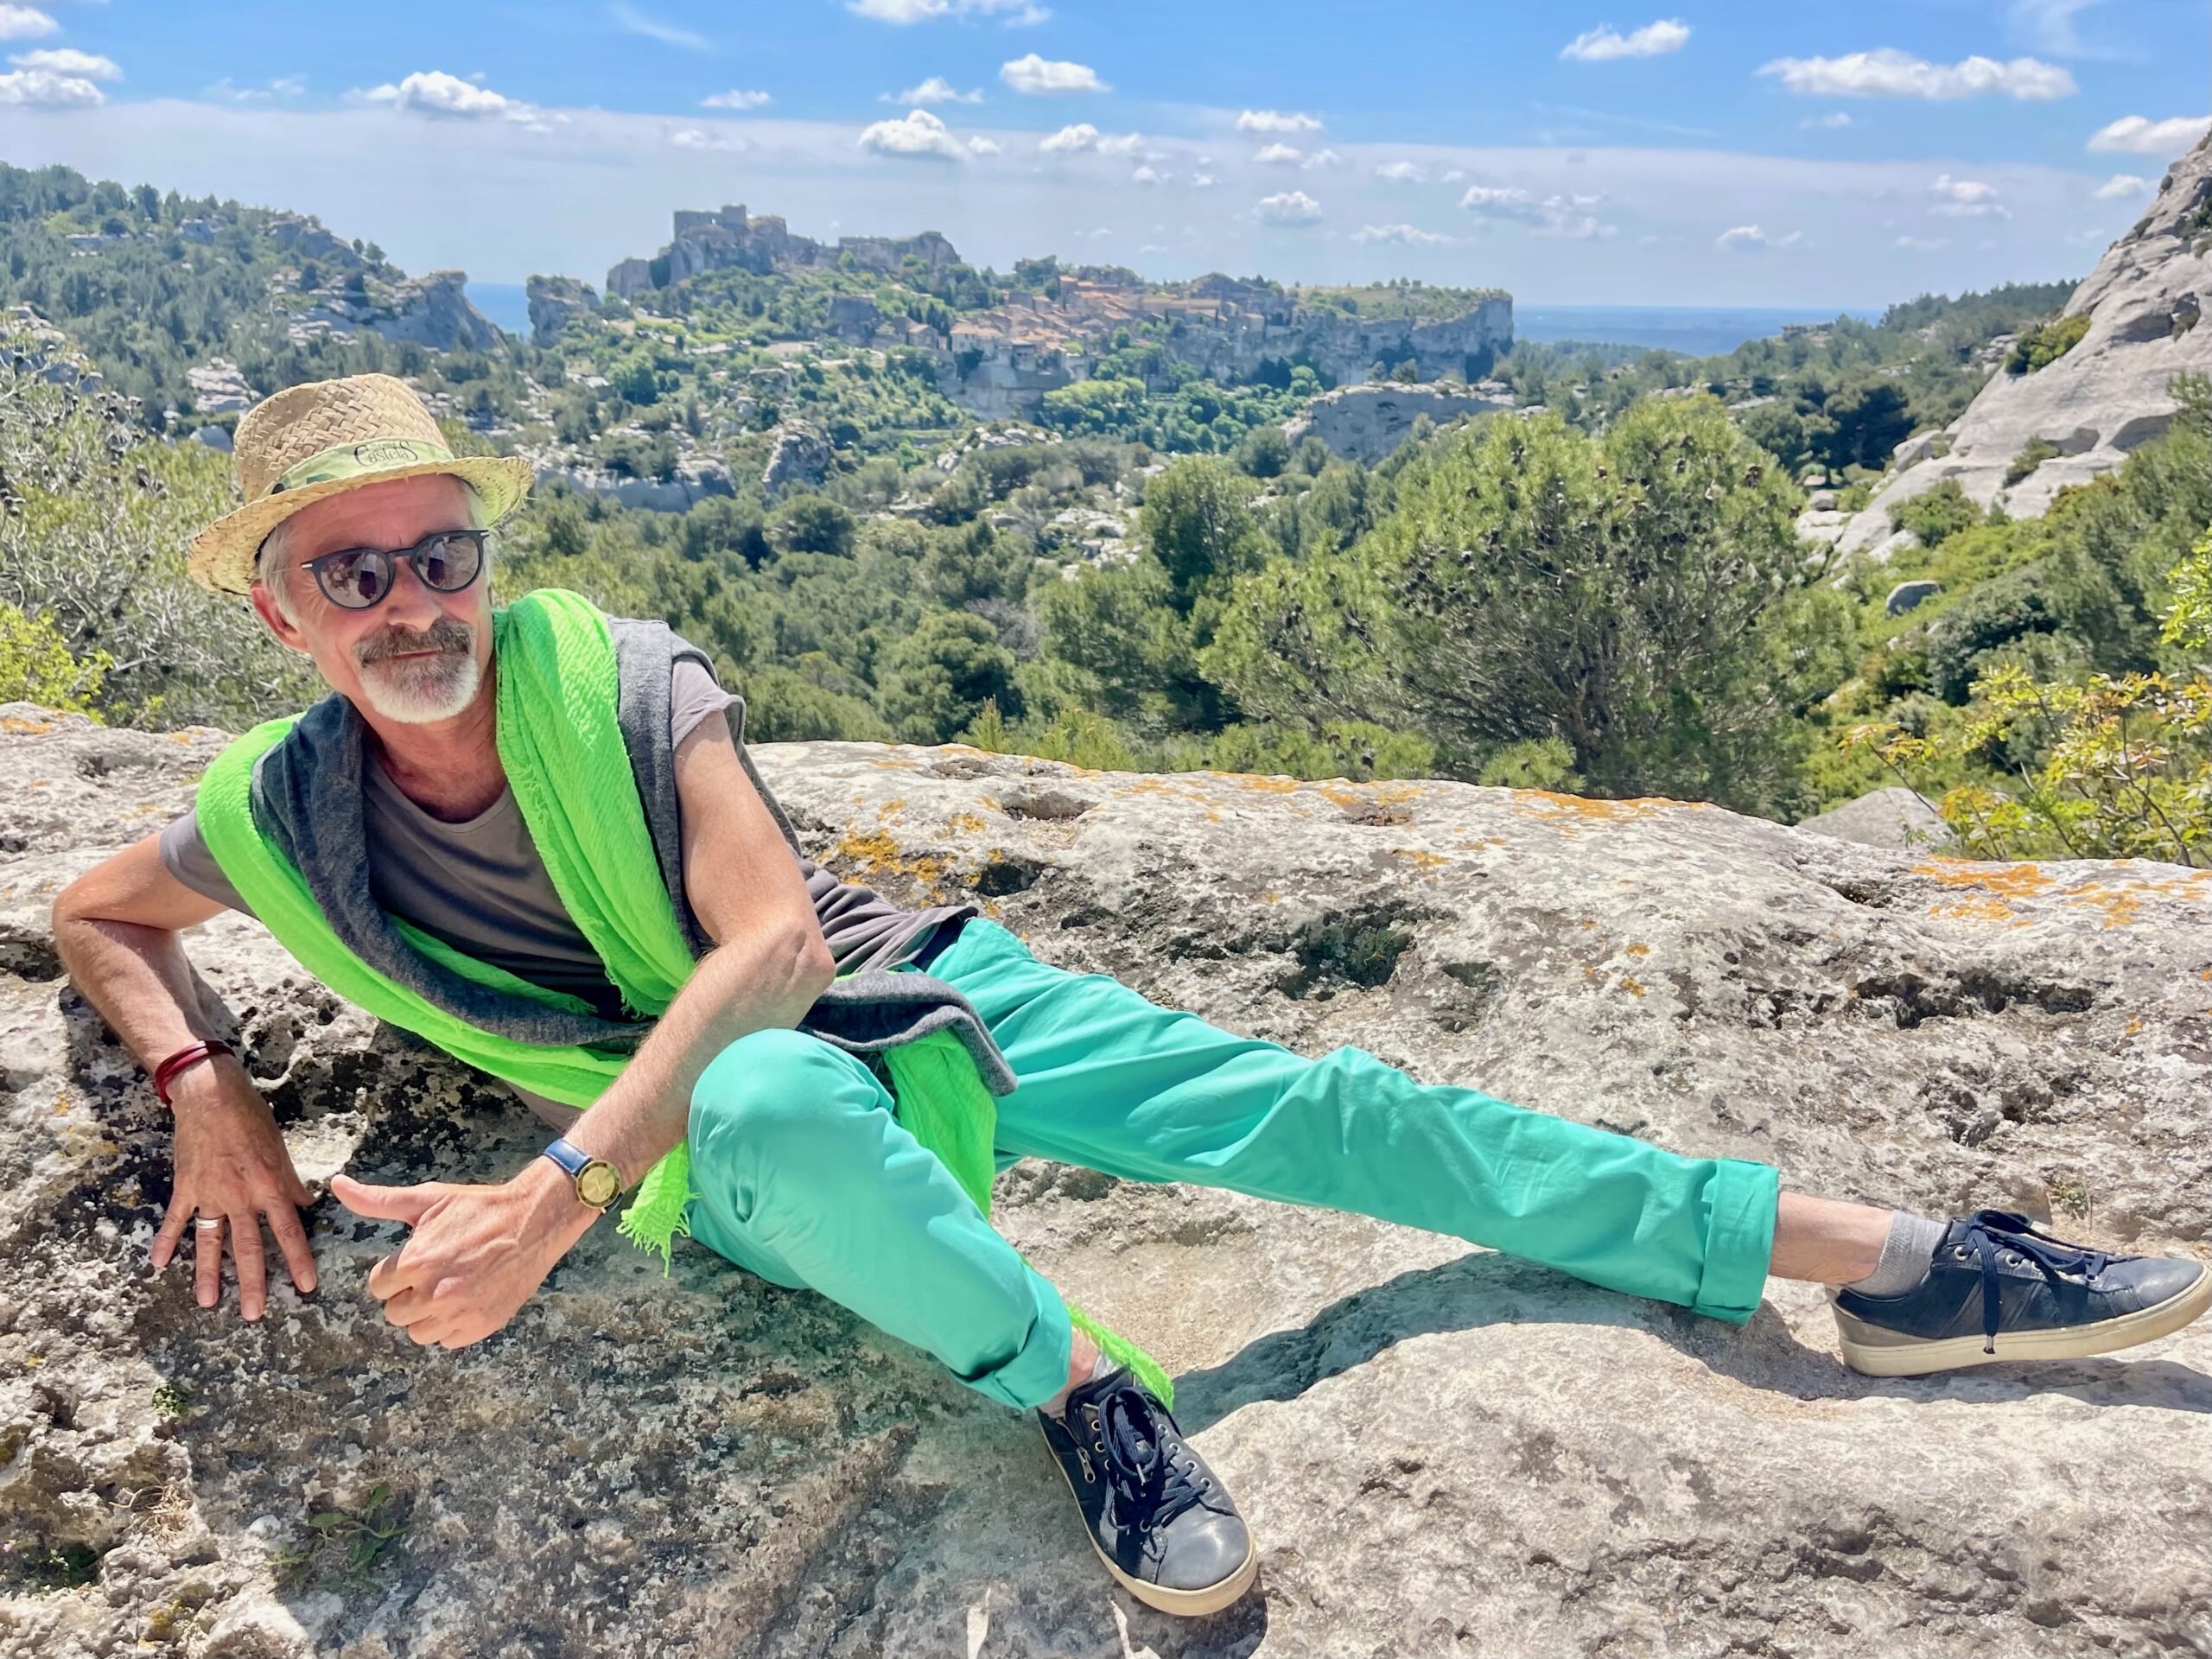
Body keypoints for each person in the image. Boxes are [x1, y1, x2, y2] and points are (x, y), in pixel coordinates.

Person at [50, 374, 2211, 1619]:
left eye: (441, 554)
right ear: (280, 611)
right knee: (773, 1118)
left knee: (1333, 1108)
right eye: (354, 571)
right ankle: (1082, 1387)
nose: (413, 602)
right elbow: (94, 911)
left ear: (486, 562)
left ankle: (1876, 1262)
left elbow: (775, 949)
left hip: (896, 987)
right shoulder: (279, 810)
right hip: (732, 1119)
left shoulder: (613, 678)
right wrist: (206, 1087)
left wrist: (549, 1196)